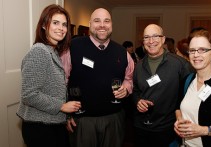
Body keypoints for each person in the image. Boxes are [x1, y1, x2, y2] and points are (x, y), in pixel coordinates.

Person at [67, 8, 134, 147]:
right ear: (90, 24)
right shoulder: (73, 47)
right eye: (97, 21)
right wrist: (65, 114)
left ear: (111, 25)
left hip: (114, 119)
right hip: (82, 120)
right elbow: (61, 81)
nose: (102, 25)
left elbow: (130, 78)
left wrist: (126, 89)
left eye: (106, 21)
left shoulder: (122, 52)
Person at [16, 4, 81, 147]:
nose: (61, 28)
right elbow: (29, 95)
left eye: (64, 24)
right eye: (55, 23)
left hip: (52, 124)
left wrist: (66, 116)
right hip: (40, 128)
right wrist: (62, 106)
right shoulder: (39, 51)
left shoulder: (52, 51)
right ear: (45, 25)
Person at [132, 24, 193, 147]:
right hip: (141, 127)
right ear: (143, 41)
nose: (151, 41)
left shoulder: (180, 64)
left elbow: (189, 94)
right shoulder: (138, 65)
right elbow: (135, 90)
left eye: (155, 36)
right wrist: (137, 100)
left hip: (167, 128)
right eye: (147, 37)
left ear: (163, 39)